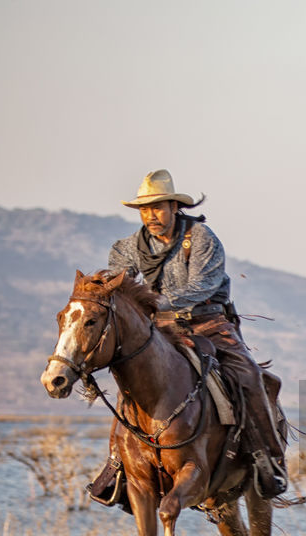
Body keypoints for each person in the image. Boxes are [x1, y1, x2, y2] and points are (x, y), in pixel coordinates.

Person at [89, 169, 287, 502]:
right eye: (145, 209)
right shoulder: (126, 249)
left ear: (174, 207)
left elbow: (203, 285)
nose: (151, 215)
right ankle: (116, 467)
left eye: (158, 207)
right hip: (158, 330)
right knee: (131, 382)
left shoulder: (201, 238)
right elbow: (117, 285)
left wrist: (153, 303)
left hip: (209, 323)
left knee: (248, 375)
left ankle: (266, 459)